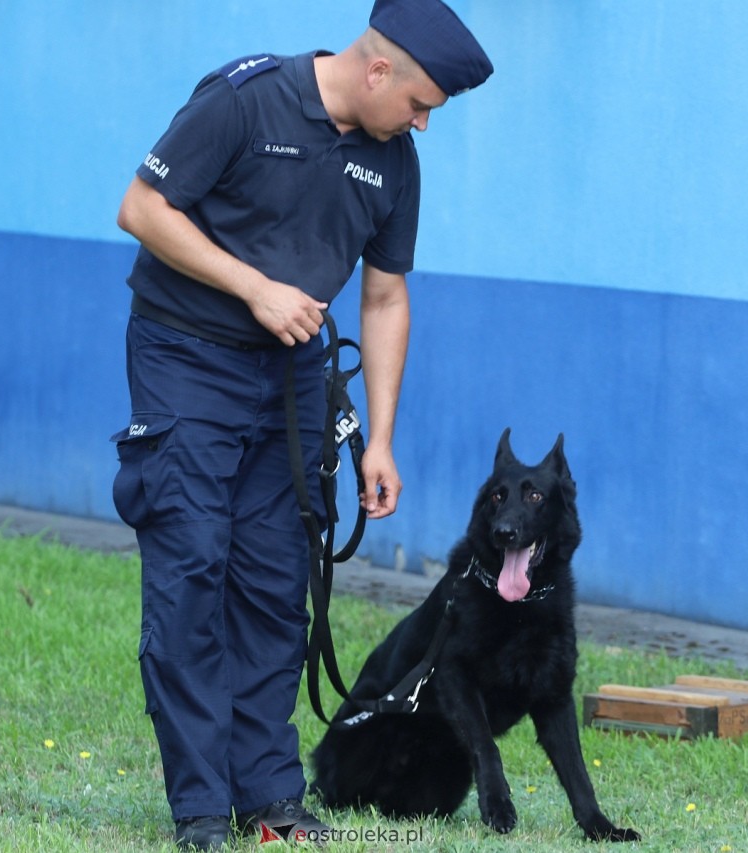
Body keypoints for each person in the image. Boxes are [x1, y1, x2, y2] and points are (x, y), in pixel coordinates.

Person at [110, 1, 492, 848]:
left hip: (294, 384)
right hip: (187, 362)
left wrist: (381, 438)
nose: (424, 123)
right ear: (378, 68)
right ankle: (202, 808)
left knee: (276, 590)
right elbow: (141, 209)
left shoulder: (394, 163)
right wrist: (253, 286)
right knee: (191, 579)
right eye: (422, 102)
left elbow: (386, 295)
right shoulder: (246, 100)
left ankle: (269, 798)